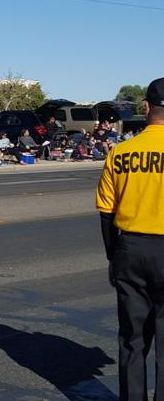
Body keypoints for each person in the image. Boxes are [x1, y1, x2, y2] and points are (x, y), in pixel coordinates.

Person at [96, 77, 164, 400]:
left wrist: (113, 257)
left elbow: (106, 213)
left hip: (130, 249)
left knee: (132, 340)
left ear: (146, 108)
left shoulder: (121, 153)